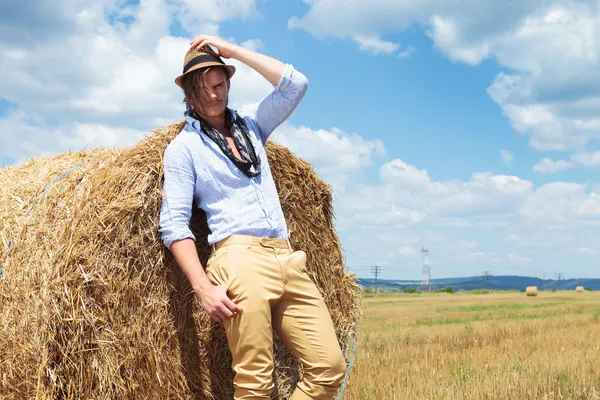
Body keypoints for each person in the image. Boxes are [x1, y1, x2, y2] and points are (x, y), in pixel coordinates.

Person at [159, 35, 347, 400]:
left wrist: (232, 52)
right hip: (239, 261)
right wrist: (202, 288)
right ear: (188, 95)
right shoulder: (183, 149)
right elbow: (174, 225)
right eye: (203, 89)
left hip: (288, 258)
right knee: (256, 386)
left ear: (228, 82)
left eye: (219, 84)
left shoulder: (251, 125)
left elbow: (295, 85)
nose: (213, 95)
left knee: (329, 370)